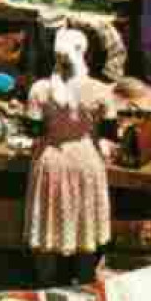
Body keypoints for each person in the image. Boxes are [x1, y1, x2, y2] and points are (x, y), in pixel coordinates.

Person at [23, 29, 114, 286]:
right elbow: (108, 134)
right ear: (84, 53)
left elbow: (33, 130)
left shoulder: (41, 89)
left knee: (47, 224)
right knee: (85, 220)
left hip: (52, 159)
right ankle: (85, 281)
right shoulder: (100, 91)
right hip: (86, 160)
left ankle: (45, 285)